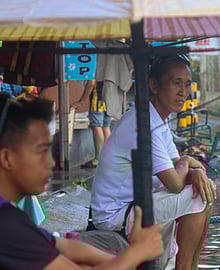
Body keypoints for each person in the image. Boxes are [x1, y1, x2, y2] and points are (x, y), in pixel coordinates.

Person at [0, 93, 164, 270]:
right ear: (7, 158)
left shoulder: (12, 216)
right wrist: (137, 252)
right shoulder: (6, 224)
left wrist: (123, 259)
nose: (51, 162)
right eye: (41, 151)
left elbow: (65, 246)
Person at [90, 53, 216, 270]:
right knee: (198, 196)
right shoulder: (142, 123)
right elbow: (174, 182)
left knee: (202, 187)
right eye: (176, 83)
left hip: (137, 205)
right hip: (116, 216)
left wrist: (195, 171)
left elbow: (177, 164)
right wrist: (188, 163)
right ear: (154, 86)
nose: (183, 92)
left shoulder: (158, 119)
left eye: (187, 84)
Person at [72, 80, 111, 168]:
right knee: (106, 126)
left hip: (97, 99)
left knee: (97, 126)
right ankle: (108, 157)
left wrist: (82, 101)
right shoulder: (109, 66)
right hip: (108, 98)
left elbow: (91, 82)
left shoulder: (94, 66)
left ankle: (98, 159)